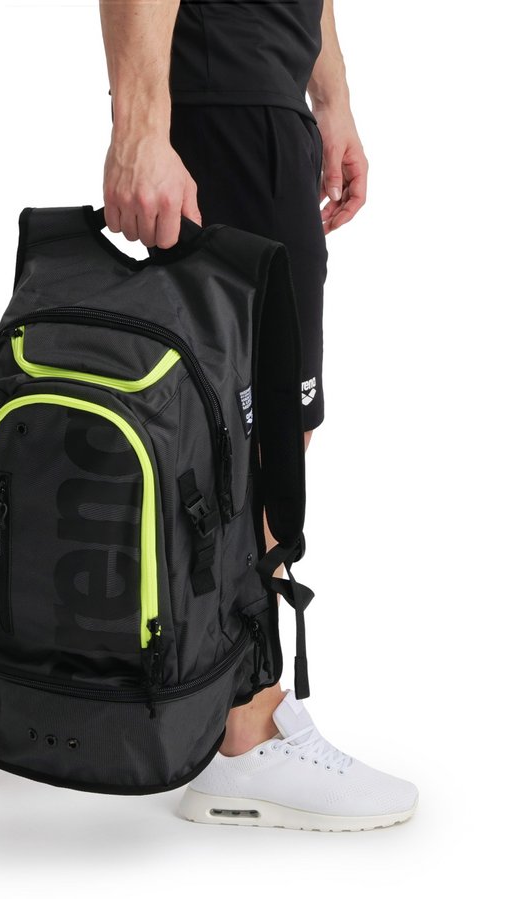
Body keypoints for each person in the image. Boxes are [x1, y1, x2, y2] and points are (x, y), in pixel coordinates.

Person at [99, 0, 419, 830]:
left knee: (223, 418)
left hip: (263, 95)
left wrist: (329, 97)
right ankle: (246, 732)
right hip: (231, 101)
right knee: (257, 435)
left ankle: (8, 608)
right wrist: (139, 125)